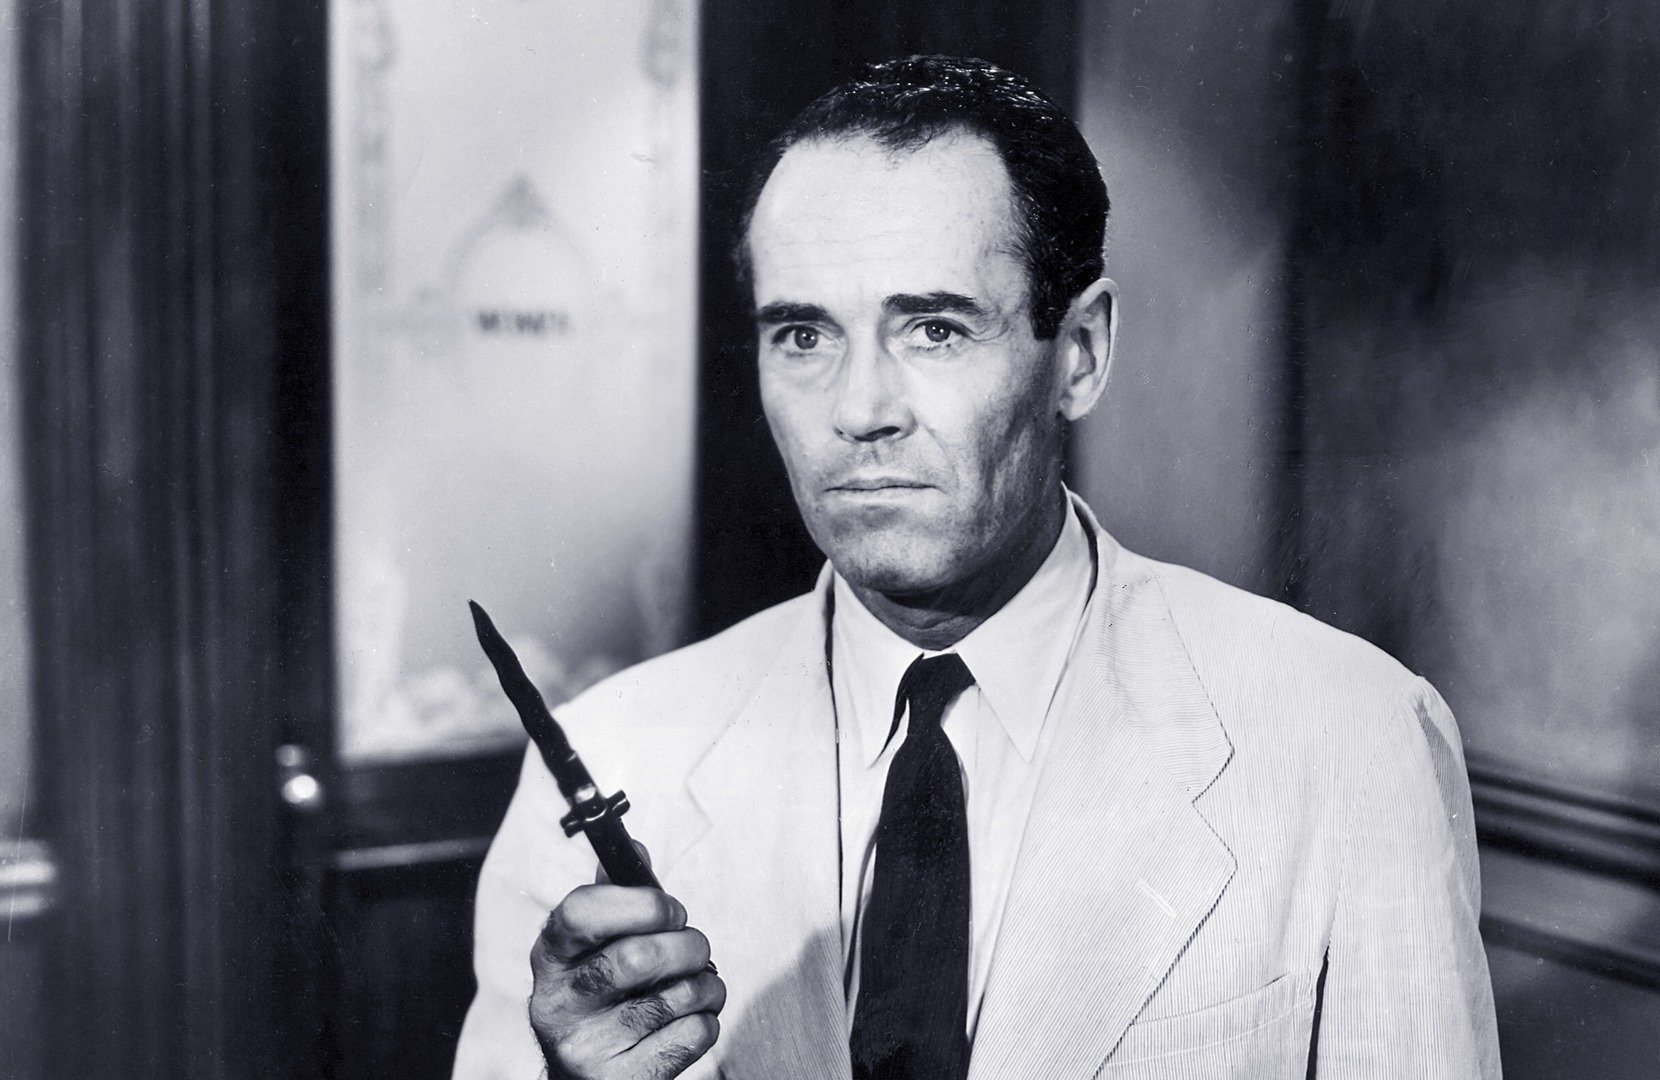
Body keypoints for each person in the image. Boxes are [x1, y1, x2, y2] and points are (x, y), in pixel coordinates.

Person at [452, 55, 1501, 1080]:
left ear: (1080, 353)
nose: (859, 410)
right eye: (804, 336)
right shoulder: (611, 753)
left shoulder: (1347, 737)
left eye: (935, 329)